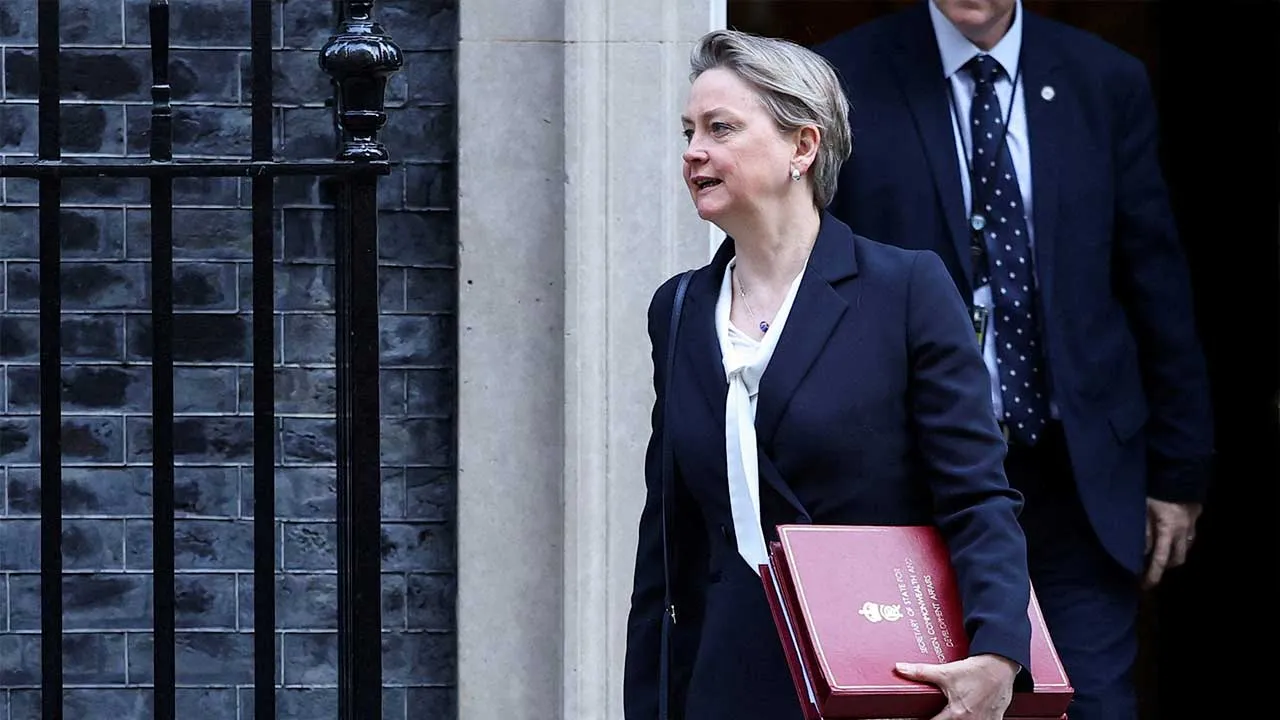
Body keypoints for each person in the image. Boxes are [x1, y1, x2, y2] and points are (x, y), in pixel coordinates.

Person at [813, 2, 1216, 718]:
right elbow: (819, 278)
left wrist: (1178, 469)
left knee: (1089, 703)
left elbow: (1153, 280)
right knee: (936, 706)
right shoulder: (845, 78)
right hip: (914, 483)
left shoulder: (1103, 80)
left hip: (1075, 478)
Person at [623, 28, 1035, 720]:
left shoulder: (905, 289)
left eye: (720, 129)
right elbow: (668, 542)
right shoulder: (680, 306)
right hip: (728, 680)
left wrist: (999, 652)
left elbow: (976, 495)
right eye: (689, 131)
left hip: (880, 669)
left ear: (802, 147)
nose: (694, 151)